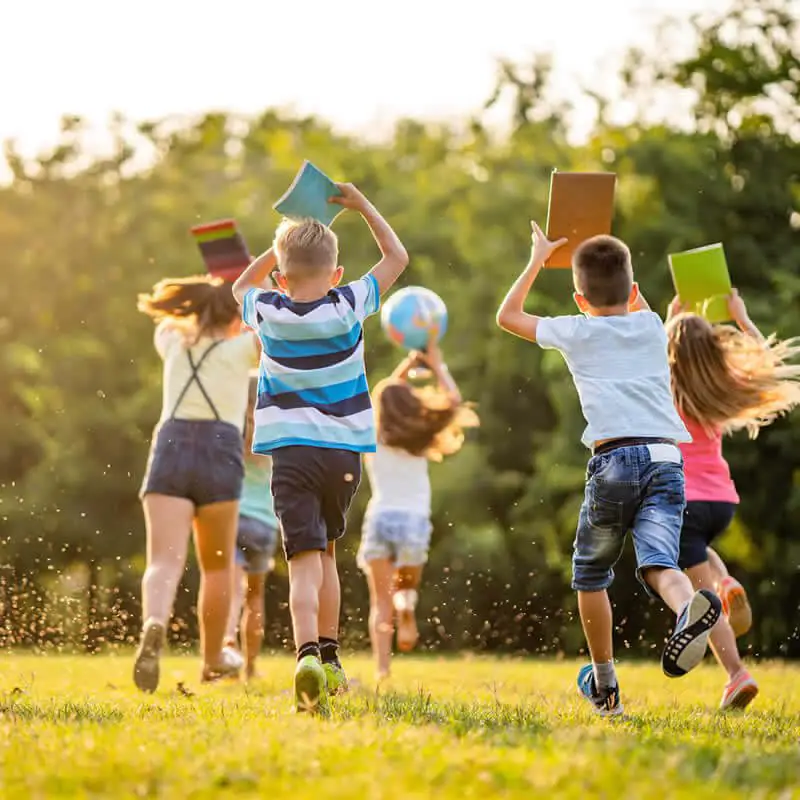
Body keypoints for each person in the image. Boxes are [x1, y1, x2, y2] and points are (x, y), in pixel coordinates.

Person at [496, 225, 722, 717]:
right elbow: (639, 302)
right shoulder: (650, 325)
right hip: (667, 460)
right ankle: (687, 607)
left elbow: (507, 316)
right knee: (661, 562)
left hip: (615, 462)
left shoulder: (578, 330)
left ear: (579, 298)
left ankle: (605, 687)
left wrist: (537, 258)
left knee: (591, 575)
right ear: (635, 292)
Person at [232, 184, 409, 714]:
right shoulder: (348, 302)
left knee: (304, 559)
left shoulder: (266, 308)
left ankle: (308, 652)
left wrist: (282, 235)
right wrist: (362, 207)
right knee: (329, 551)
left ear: (280, 278)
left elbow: (240, 283)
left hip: (290, 454)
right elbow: (396, 257)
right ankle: (330, 660)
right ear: (335, 274)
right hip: (342, 456)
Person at [666, 290, 800, 709]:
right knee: (699, 556)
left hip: (683, 501)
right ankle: (726, 582)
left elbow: (643, 360)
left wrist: (669, 321)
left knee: (700, 604)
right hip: (721, 503)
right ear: (712, 350)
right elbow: (766, 363)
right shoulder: (718, 388)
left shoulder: (667, 388)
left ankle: (736, 675)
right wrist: (742, 318)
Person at [134, 275, 257, 691]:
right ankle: (212, 659)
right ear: (235, 316)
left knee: (163, 561)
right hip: (221, 450)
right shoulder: (243, 349)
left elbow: (167, 325)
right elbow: (271, 328)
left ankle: (154, 623)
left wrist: (206, 296)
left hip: (170, 446)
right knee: (218, 567)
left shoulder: (174, 344)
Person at [359, 341, 478, 682]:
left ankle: (382, 669)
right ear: (411, 406)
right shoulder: (421, 433)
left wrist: (403, 367)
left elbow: (380, 397)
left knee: (379, 602)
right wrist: (437, 366)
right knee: (404, 588)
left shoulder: (374, 433)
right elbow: (454, 402)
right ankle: (407, 608)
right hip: (412, 520)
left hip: (380, 517)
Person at [223, 371, 279, 681]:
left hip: (231, 516)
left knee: (227, 588)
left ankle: (225, 644)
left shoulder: (231, 429)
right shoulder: (274, 430)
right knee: (254, 597)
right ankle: (252, 666)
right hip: (265, 523)